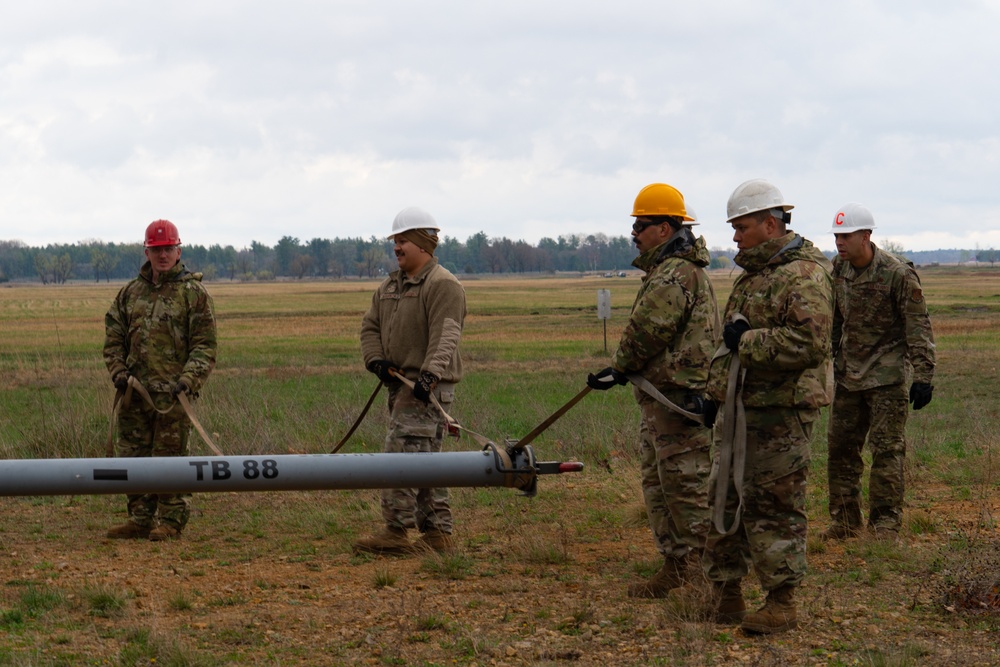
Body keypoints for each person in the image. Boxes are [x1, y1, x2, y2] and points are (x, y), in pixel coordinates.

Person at [698, 179, 833, 634]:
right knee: (727, 495)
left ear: (769, 224)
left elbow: (810, 343)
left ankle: (781, 602)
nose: (735, 236)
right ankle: (726, 594)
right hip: (743, 410)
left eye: (741, 227)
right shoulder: (757, 276)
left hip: (781, 413)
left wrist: (749, 341)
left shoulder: (803, 275)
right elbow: (728, 348)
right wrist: (715, 395)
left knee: (775, 505)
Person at [587, 183, 720, 597]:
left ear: (665, 229)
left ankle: (700, 574)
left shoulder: (675, 274)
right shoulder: (669, 270)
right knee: (661, 486)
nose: (634, 234)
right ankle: (675, 567)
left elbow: (649, 330)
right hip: (664, 402)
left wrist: (620, 366)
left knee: (685, 489)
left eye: (641, 226)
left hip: (679, 402)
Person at [355, 207, 467, 556]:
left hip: (424, 389)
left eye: (402, 240)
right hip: (399, 386)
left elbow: (446, 337)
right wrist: (377, 361)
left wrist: (428, 377)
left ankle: (396, 532)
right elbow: (369, 326)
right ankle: (437, 535)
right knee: (424, 459)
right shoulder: (390, 285)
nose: (397, 248)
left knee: (401, 456)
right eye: (395, 241)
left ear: (422, 243)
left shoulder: (443, 285)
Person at [824, 203, 936, 541]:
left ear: (866, 236)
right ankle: (844, 521)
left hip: (887, 379)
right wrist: (825, 361)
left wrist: (924, 376)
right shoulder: (838, 269)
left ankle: (884, 523)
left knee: (887, 450)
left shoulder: (898, 274)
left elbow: (918, 325)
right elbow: (834, 320)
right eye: (836, 236)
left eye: (846, 236)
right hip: (848, 375)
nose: (839, 242)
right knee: (841, 449)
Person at [103, 219, 217, 541]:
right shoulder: (129, 294)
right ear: (147, 252)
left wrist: (188, 381)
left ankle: (170, 521)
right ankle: (139, 519)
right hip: (134, 394)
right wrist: (118, 373)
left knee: (169, 460)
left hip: (174, 397)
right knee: (133, 458)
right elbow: (113, 338)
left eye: (168, 249)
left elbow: (205, 345)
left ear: (179, 250)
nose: (163, 255)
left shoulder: (193, 294)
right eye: (157, 250)